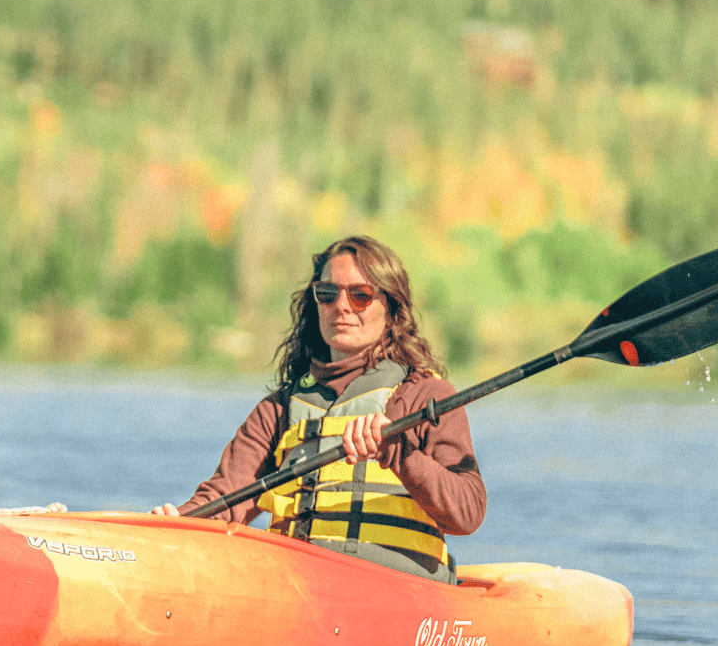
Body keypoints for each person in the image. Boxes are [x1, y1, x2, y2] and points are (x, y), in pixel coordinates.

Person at [150, 235, 485, 582]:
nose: (341, 306)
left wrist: (400, 454)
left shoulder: (425, 395)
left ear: (391, 307)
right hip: (299, 587)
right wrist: (177, 524)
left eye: (360, 295)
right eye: (328, 294)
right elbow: (224, 497)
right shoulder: (279, 409)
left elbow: (468, 513)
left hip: (398, 591)